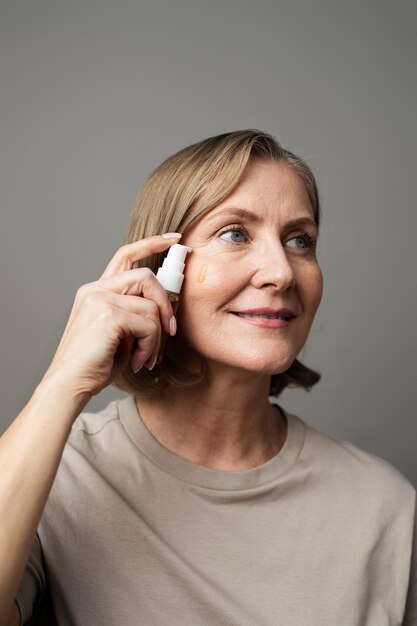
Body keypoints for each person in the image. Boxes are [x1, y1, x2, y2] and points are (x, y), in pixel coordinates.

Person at [0, 130, 415, 626]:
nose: (281, 272)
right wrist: (61, 384)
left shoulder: (385, 508)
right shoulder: (56, 478)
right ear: (159, 272)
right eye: (235, 233)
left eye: (299, 239)